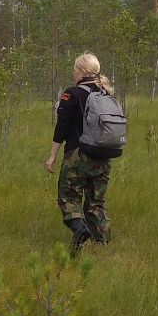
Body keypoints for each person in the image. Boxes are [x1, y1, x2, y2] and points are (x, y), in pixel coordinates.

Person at [44, 52, 122, 254]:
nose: (73, 71)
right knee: (96, 202)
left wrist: (53, 155)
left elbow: (61, 127)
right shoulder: (107, 93)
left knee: (68, 197)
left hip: (78, 155)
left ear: (82, 71)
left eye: (75, 68)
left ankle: (80, 229)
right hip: (104, 155)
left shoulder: (72, 93)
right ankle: (103, 245)